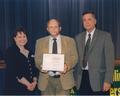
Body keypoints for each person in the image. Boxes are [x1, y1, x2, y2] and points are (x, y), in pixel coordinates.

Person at [75, 11, 114, 95]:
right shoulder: (78, 37)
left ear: (95, 21)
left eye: (89, 19)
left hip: (100, 80)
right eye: (84, 20)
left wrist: (108, 80)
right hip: (82, 79)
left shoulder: (105, 36)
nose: (87, 22)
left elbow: (110, 61)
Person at [35, 19, 78, 95]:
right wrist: (41, 66)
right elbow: (37, 59)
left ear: (60, 28)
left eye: (56, 27)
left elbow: (74, 58)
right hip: (46, 81)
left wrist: (67, 66)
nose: (53, 29)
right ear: (47, 29)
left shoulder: (70, 41)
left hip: (65, 80)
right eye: (51, 27)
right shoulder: (40, 42)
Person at [5, 26, 39, 95]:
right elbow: (15, 72)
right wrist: (28, 84)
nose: (22, 39)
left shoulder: (30, 52)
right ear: (14, 38)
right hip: (16, 88)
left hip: (31, 88)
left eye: (24, 36)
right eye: (19, 37)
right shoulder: (10, 52)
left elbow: (35, 69)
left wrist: (34, 82)